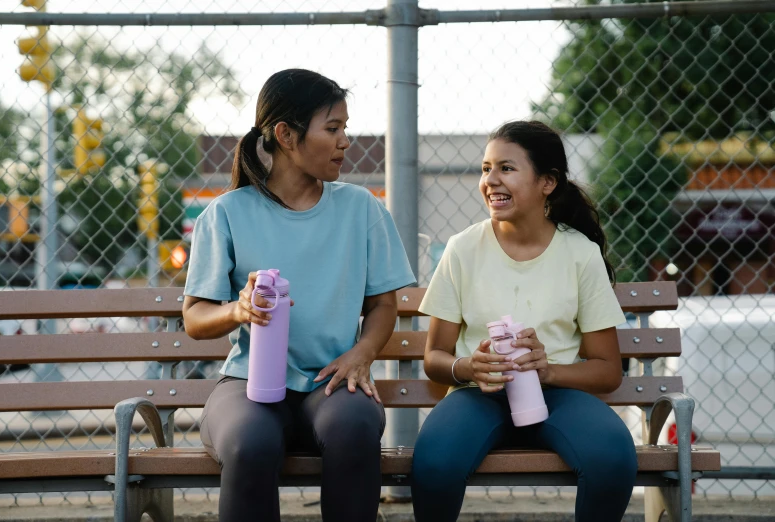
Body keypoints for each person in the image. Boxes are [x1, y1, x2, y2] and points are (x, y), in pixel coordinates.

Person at [182, 69, 416, 522]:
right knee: (251, 444)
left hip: (332, 382)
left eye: (345, 127)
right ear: (286, 135)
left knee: (354, 427)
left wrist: (363, 353)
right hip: (249, 386)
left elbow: (384, 305)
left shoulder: (361, 208)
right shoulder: (227, 213)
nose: (346, 140)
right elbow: (194, 318)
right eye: (333, 129)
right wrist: (238, 309)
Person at [411, 121, 637, 522]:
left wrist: (546, 370)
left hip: (558, 397)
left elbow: (607, 371)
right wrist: (467, 367)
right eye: (485, 168)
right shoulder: (463, 249)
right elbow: (435, 359)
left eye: (506, 168)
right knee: (435, 462)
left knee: (612, 456)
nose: (490, 180)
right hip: (478, 396)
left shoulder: (579, 253)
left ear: (547, 182)